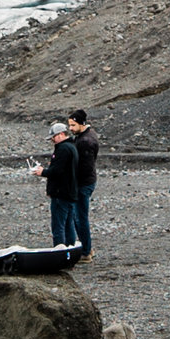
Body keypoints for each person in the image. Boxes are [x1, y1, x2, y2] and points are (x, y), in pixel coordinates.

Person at [34, 121, 81, 249]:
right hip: (70, 192)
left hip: (61, 193)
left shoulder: (63, 149)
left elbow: (58, 171)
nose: (52, 141)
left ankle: (59, 252)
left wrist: (42, 172)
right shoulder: (72, 147)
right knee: (68, 224)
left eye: (53, 137)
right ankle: (70, 251)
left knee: (59, 226)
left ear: (60, 135)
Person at [68, 108, 100, 262]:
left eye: (73, 125)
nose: (70, 129)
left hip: (83, 184)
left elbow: (85, 167)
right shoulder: (84, 136)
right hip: (85, 182)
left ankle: (86, 252)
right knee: (78, 216)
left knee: (80, 218)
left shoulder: (85, 141)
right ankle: (86, 248)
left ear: (81, 124)